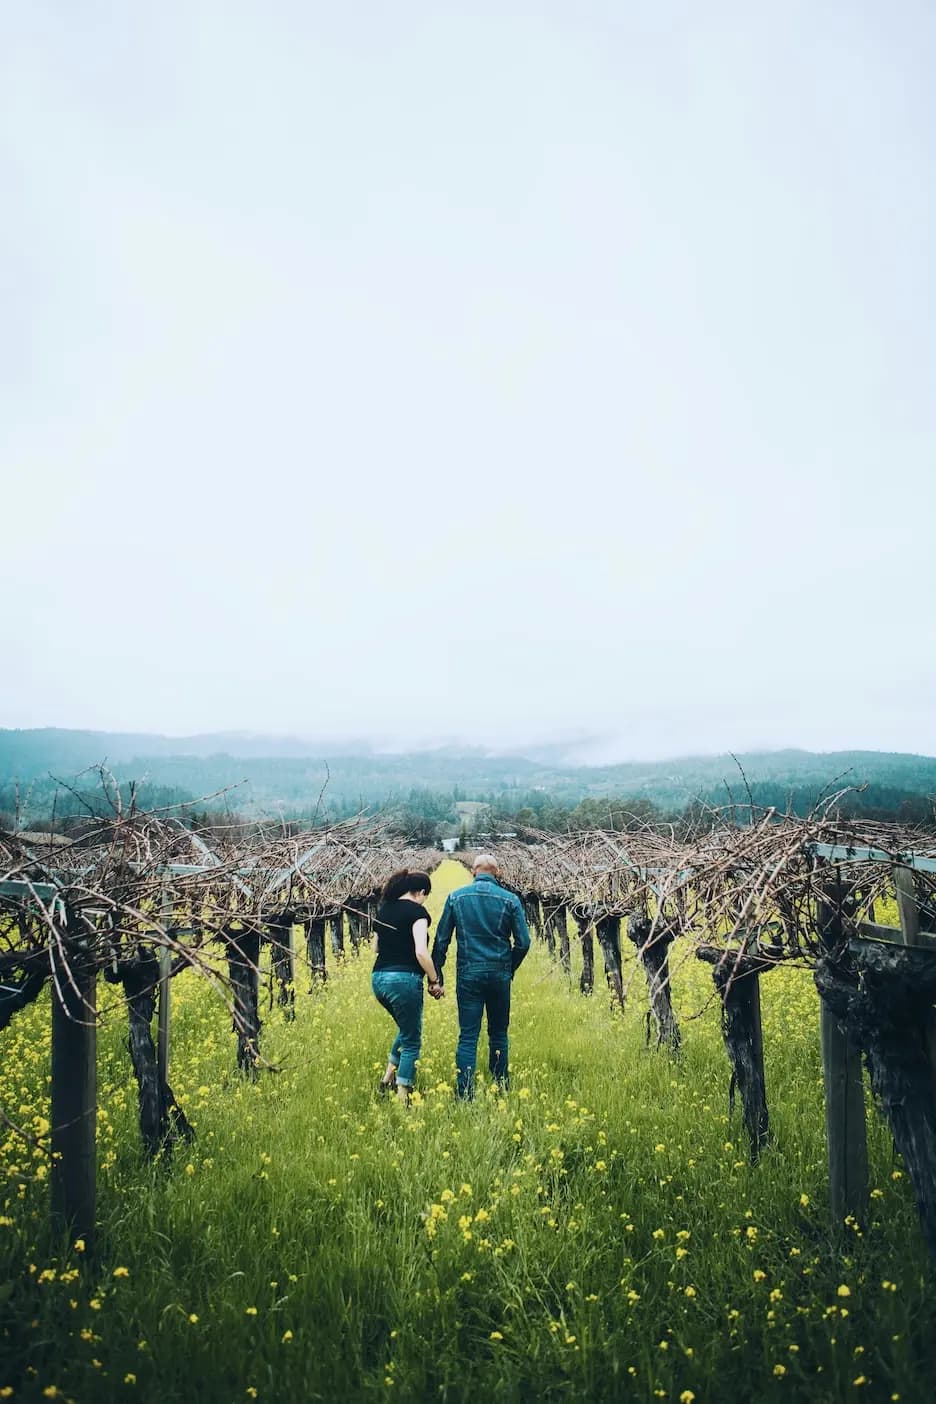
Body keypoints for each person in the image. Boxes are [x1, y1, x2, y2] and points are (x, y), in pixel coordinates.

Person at [430, 853, 531, 1099]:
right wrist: (509, 967)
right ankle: (500, 1087)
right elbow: (524, 942)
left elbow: (441, 939)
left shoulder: (456, 897)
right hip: (499, 974)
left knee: (468, 1035)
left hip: (469, 973)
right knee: (498, 1032)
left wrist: (437, 975)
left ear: (473, 871)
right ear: (497, 873)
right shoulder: (511, 900)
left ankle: (464, 1092)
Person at [372, 868, 443, 1104]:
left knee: (405, 1030)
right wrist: (434, 980)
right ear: (421, 892)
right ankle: (404, 1097)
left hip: (379, 978)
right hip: (404, 980)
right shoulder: (417, 912)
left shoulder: (384, 910)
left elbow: (376, 948)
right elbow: (421, 952)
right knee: (412, 1040)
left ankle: (386, 1080)